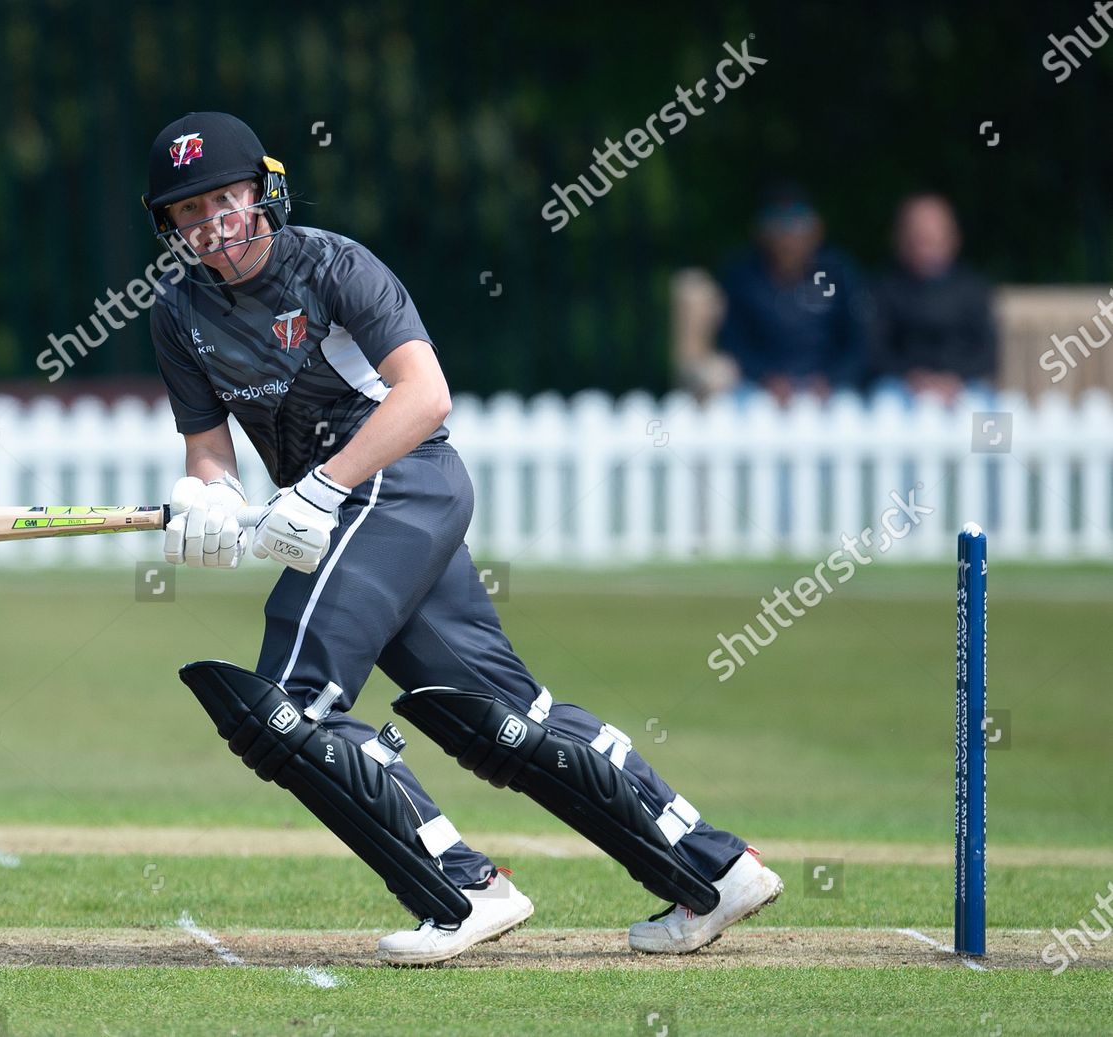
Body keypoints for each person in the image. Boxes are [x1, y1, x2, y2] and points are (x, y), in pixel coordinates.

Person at [143, 112, 782, 964]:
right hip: (353, 512)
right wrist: (210, 500)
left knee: (289, 705)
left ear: (262, 192)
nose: (212, 224)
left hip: (400, 482)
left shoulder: (333, 265)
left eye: (224, 199)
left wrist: (321, 488)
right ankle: (714, 868)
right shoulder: (178, 311)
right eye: (189, 211)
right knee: (497, 718)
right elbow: (209, 450)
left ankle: (462, 888)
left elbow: (426, 395)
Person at [717, 185, 869, 403]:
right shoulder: (745, 279)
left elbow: (857, 340)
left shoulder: (832, 274)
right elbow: (733, 342)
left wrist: (833, 379)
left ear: (816, 229)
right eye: (777, 223)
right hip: (760, 389)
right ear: (761, 231)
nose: (788, 235)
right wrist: (764, 377)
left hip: (829, 390)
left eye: (798, 223)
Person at [870, 194, 997, 403]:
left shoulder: (973, 288)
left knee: (992, 413)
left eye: (932, 238)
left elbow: (987, 354)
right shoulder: (884, 289)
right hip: (902, 386)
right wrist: (913, 378)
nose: (925, 246)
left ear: (953, 239)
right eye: (918, 238)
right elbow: (876, 351)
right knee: (884, 402)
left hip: (964, 386)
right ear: (901, 240)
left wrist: (954, 379)